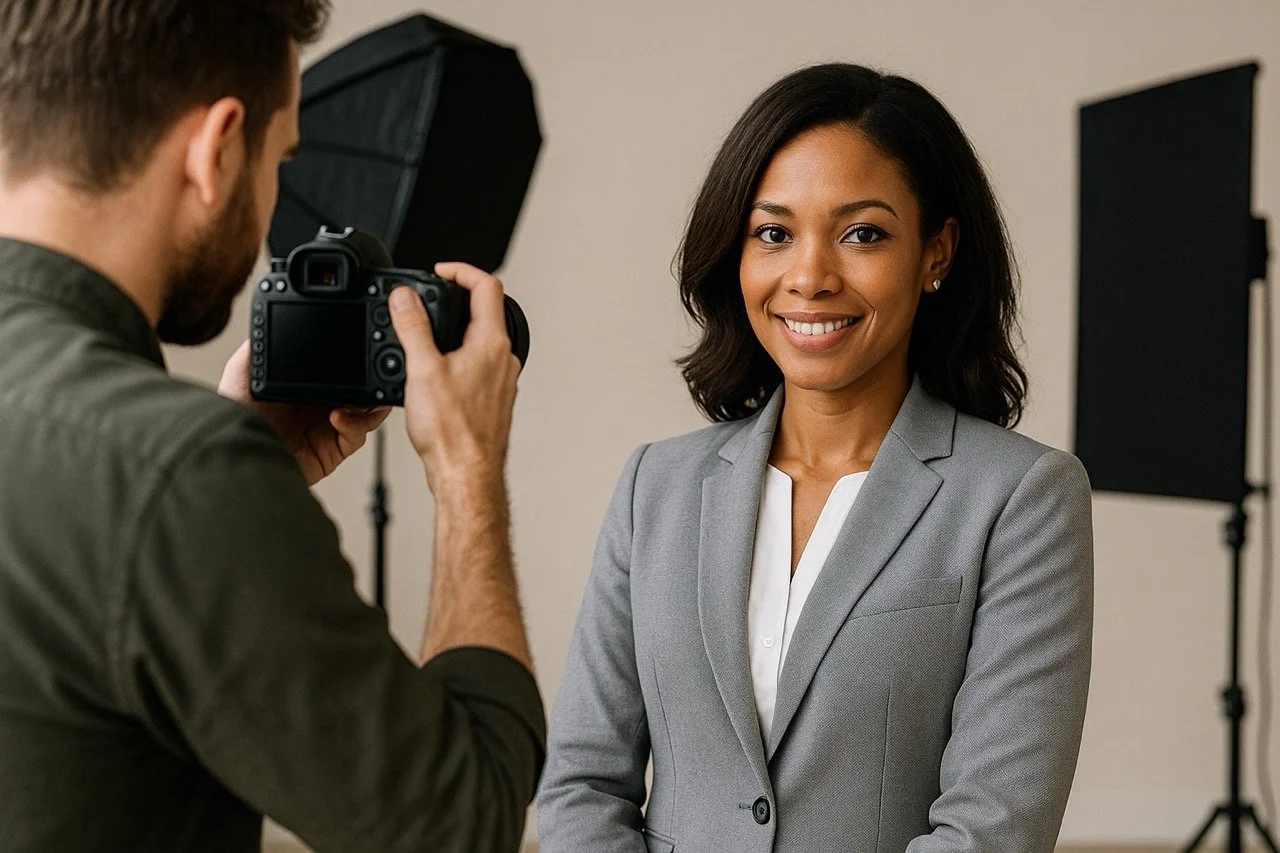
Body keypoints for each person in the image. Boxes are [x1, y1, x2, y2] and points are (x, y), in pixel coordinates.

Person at [0, 2, 541, 851]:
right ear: (217, 150)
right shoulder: (179, 475)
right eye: (280, 159)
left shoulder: (170, 477)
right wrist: (468, 471)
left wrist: (239, 495)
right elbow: (459, 829)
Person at [537, 63, 1093, 853]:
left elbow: (992, 826)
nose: (809, 276)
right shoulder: (654, 487)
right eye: (774, 233)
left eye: (862, 233)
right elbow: (581, 786)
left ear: (936, 252)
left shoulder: (1022, 498)